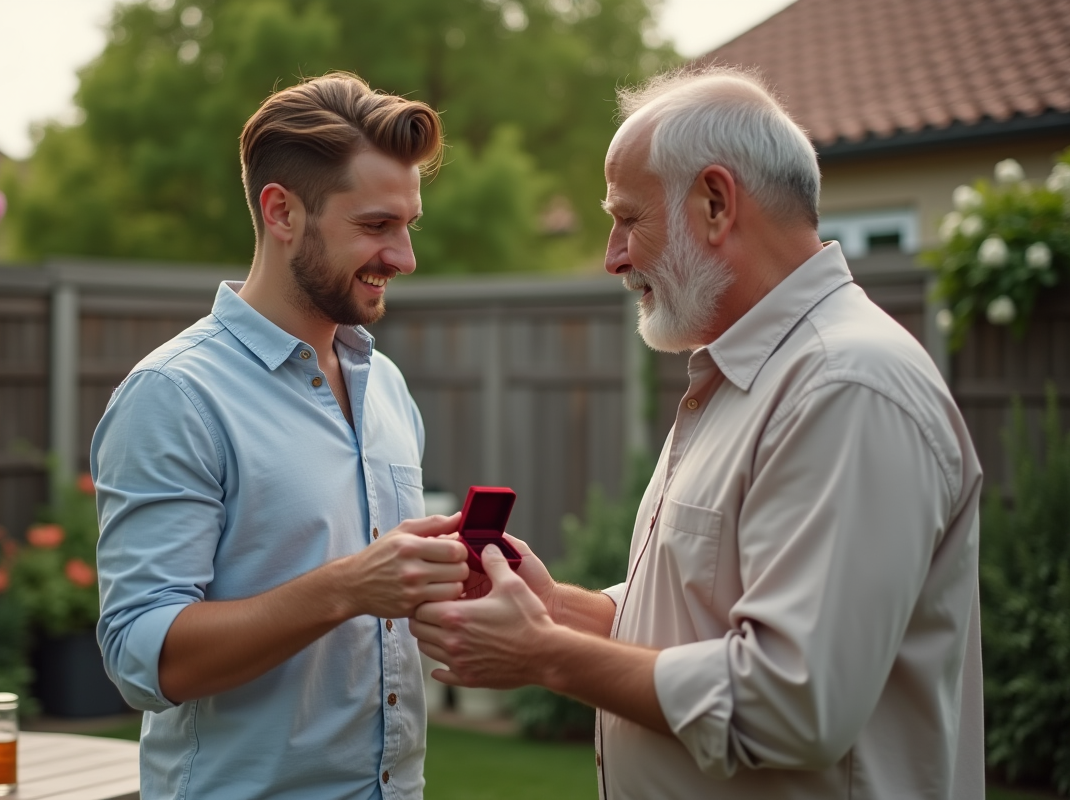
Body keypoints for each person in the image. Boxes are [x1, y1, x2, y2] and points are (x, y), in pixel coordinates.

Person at [412, 66, 984, 800]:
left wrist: (545, 655)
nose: (614, 255)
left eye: (627, 218)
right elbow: (704, 612)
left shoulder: (847, 386)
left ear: (715, 203)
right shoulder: (751, 375)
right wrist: (560, 609)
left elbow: (792, 702)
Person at [91, 73, 469, 800]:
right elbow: (144, 656)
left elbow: (376, 614)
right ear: (282, 212)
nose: (404, 257)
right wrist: (349, 587)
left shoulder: (383, 384)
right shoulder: (175, 396)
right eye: (375, 226)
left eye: (408, 224)